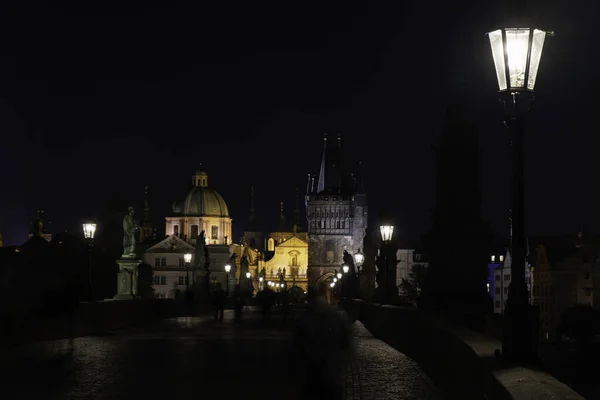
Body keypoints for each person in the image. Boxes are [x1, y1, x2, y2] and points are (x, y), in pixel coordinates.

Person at [294, 285, 352, 400]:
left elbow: (297, 345)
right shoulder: (337, 317)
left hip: (313, 371)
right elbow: (346, 343)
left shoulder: (305, 318)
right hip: (330, 371)